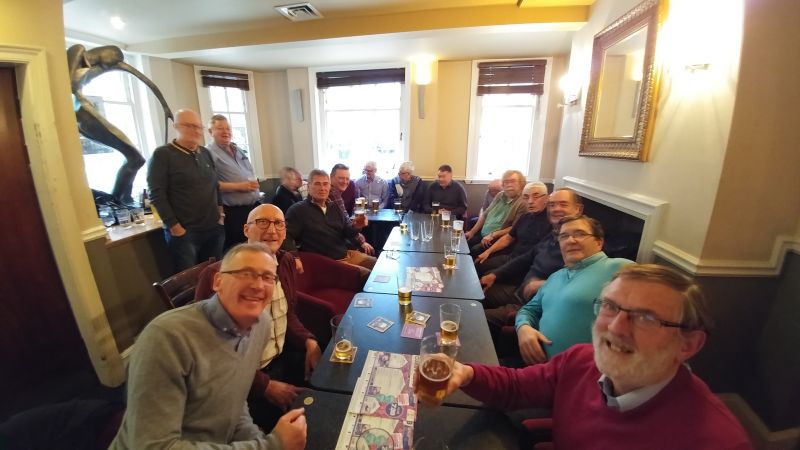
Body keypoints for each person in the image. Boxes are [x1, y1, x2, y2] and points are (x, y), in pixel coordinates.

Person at [417, 264, 752, 450]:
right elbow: (517, 387)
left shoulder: (716, 440)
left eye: (646, 317)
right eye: (610, 306)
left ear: (688, 344)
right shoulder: (581, 360)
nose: (618, 328)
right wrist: (466, 373)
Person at [110, 243, 307, 449]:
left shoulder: (261, 325)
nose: (258, 285)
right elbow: (152, 446)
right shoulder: (166, 337)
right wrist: (271, 445)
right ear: (218, 281)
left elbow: (235, 404)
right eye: (245, 273)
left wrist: (260, 440)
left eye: (267, 277)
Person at [194, 204, 321, 429]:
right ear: (246, 230)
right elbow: (212, 350)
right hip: (241, 382)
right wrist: (265, 386)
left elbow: (287, 314)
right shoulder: (219, 275)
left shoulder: (286, 262)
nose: (272, 230)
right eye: (263, 222)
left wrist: (308, 341)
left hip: (282, 359)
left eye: (278, 223)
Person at [515, 215, 632, 364]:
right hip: (538, 368)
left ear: (598, 242)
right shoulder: (555, 277)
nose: (571, 240)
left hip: (582, 377)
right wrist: (523, 327)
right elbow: (529, 309)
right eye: (564, 236)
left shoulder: (620, 268)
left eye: (580, 234)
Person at [67, 44, 173, 204]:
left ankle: (120, 197)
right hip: (81, 109)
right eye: (114, 60)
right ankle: (118, 198)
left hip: (81, 108)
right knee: (135, 158)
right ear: (108, 54)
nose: (115, 64)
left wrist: (165, 106)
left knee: (135, 158)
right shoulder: (78, 52)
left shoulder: (92, 67)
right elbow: (69, 85)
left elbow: (141, 78)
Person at [480, 188, 583, 312]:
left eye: (563, 204)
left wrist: (544, 284)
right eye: (552, 205)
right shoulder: (554, 233)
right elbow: (527, 257)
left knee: (476, 318)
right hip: (520, 292)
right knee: (476, 291)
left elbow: (582, 282)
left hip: (533, 306)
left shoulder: (582, 242)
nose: (556, 209)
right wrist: (495, 274)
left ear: (578, 209)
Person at [147, 109, 225, 273]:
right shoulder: (163, 155)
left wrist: (220, 214)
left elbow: (215, 185)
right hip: (185, 234)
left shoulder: (205, 153)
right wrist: (175, 227)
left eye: (198, 126)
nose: (195, 130)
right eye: (189, 126)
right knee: (189, 283)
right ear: (176, 126)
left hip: (213, 229)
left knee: (213, 278)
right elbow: (156, 194)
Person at [286, 169, 376, 279]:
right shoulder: (297, 210)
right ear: (308, 187)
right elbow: (286, 236)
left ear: (329, 186)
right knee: (367, 275)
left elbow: (347, 232)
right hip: (327, 262)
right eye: (317, 184)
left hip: (346, 254)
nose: (322, 188)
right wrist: (295, 257)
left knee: (377, 264)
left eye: (325, 184)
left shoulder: (334, 207)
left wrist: (357, 226)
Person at [206, 114, 262, 250]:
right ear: (210, 132)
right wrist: (239, 186)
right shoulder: (208, 153)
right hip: (233, 213)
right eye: (220, 128)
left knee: (256, 247)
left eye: (228, 128)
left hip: (253, 207)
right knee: (239, 250)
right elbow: (209, 184)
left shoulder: (238, 149)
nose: (226, 132)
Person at [474, 182, 550, 276]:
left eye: (536, 196)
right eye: (526, 197)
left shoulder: (551, 222)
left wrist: (496, 274)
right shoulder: (525, 217)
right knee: (478, 264)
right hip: (512, 257)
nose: (530, 201)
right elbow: (508, 238)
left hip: (527, 266)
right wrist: (487, 252)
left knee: (487, 274)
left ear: (547, 198)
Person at [465, 170, 527, 256]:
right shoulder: (500, 195)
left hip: (498, 238)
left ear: (521, 184)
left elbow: (514, 228)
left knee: (474, 251)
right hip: (485, 233)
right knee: (465, 243)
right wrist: (472, 232)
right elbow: (485, 214)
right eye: (506, 182)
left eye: (513, 181)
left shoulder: (523, 202)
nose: (509, 185)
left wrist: (493, 235)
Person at [328, 164, 374, 256]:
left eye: (347, 178)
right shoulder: (333, 193)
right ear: (331, 177)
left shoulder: (338, 191)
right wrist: (361, 241)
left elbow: (345, 220)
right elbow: (346, 223)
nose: (345, 181)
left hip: (339, 238)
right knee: (370, 251)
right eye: (341, 178)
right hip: (334, 245)